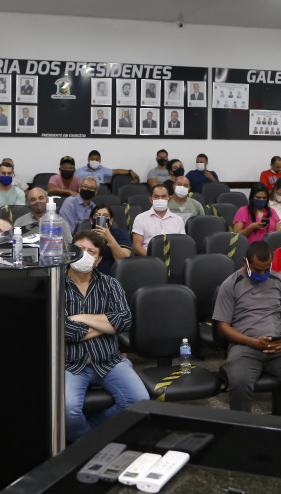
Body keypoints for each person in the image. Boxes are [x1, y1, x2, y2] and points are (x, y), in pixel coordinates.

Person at [213, 241, 281, 417]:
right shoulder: (230, 284)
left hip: (277, 346)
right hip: (245, 347)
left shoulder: (279, 281)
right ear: (245, 261)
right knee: (239, 383)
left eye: (266, 269)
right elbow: (222, 328)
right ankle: (245, 430)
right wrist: (252, 342)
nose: (262, 274)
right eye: (257, 270)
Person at [64, 232, 149, 442]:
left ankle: (89, 438)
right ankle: (91, 441)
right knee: (67, 412)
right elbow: (67, 331)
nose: (84, 255)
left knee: (140, 402)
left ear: (98, 260)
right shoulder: (54, 285)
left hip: (109, 360)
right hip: (71, 364)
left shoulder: (111, 284)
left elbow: (123, 321)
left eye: (91, 251)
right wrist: (105, 325)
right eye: (79, 250)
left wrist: (81, 318)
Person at [132, 184, 186, 255]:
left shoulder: (178, 220)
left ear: (169, 199)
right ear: (151, 200)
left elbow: (182, 245)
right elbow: (137, 247)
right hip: (148, 260)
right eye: (156, 197)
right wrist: (154, 260)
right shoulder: (140, 218)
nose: (160, 199)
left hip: (173, 260)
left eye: (164, 196)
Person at [88, 205, 132, 275]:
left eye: (106, 216)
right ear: (91, 220)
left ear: (111, 220)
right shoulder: (84, 236)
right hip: (90, 275)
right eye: (97, 215)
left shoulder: (120, 233)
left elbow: (124, 260)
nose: (102, 218)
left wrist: (109, 237)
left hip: (113, 275)